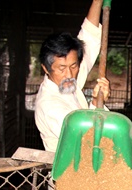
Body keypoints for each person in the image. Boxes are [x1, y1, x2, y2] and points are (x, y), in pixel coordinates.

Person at [35, 0, 111, 152]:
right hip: (70, 169)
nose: (69, 74)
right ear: (46, 68)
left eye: (74, 66)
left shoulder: (67, 81)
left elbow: (89, 36)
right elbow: (87, 140)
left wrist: (97, 1)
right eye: (61, 68)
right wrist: (96, 103)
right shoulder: (49, 105)